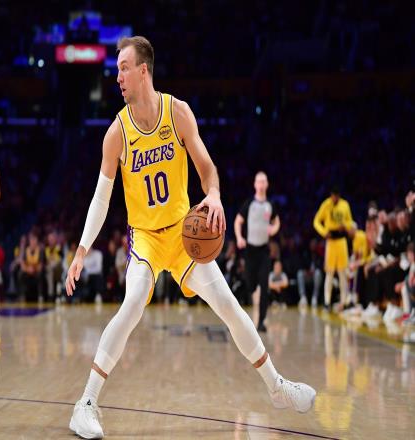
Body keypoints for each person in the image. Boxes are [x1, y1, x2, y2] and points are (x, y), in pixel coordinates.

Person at [65, 36, 315, 439]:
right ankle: (86, 403)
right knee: (133, 303)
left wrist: (213, 194)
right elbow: (100, 198)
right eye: (117, 70)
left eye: (124, 68)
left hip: (184, 235)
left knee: (228, 304)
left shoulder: (177, 112)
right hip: (146, 238)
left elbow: (207, 167)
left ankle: (277, 387)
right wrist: (81, 251)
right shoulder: (116, 133)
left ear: (143, 70)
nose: (118, 77)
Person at [234, 171, 280, 331]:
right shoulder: (249, 204)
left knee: (264, 286)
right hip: (250, 251)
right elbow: (238, 221)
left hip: (263, 252)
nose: (261, 184)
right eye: (258, 181)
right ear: (255, 184)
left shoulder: (270, 205)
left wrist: (273, 229)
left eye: (263, 181)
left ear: (267, 185)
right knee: (250, 283)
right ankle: (252, 290)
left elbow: (277, 221)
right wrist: (239, 238)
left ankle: (261, 322)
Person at [313, 187, 353, 312]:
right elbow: (316, 221)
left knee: (342, 273)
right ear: (331, 195)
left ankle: (343, 302)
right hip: (330, 241)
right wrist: (324, 232)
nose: (334, 198)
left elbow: (350, 222)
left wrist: (345, 226)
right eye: (333, 196)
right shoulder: (326, 204)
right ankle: (327, 302)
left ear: (339, 195)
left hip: (341, 241)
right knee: (329, 273)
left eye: (336, 196)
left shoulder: (345, 205)